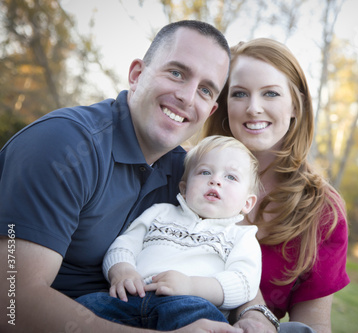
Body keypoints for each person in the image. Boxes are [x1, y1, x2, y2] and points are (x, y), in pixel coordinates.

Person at [0, 20, 244, 333]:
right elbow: (13, 304)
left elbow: (229, 242)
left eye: (205, 90)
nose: (187, 96)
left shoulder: (187, 176)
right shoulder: (62, 146)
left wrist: (254, 311)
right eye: (177, 73)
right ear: (137, 75)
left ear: (210, 110)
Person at [202, 38, 350, 333]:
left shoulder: (322, 211)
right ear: (224, 104)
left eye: (270, 93)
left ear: (296, 105)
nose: (253, 108)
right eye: (240, 94)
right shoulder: (192, 173)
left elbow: (312, 326)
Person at [76, 135, 262, 330]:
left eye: (230, 177)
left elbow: (243, 282)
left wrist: (191, 286)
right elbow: (124, 244)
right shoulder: (159, 212)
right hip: (131, 296)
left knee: (208, 324)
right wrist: (121, 270)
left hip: (190, 304)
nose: (215, 181)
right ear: (184, 188)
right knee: (87, 306)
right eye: (205, 172)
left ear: (247, 203)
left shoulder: (242, 236)